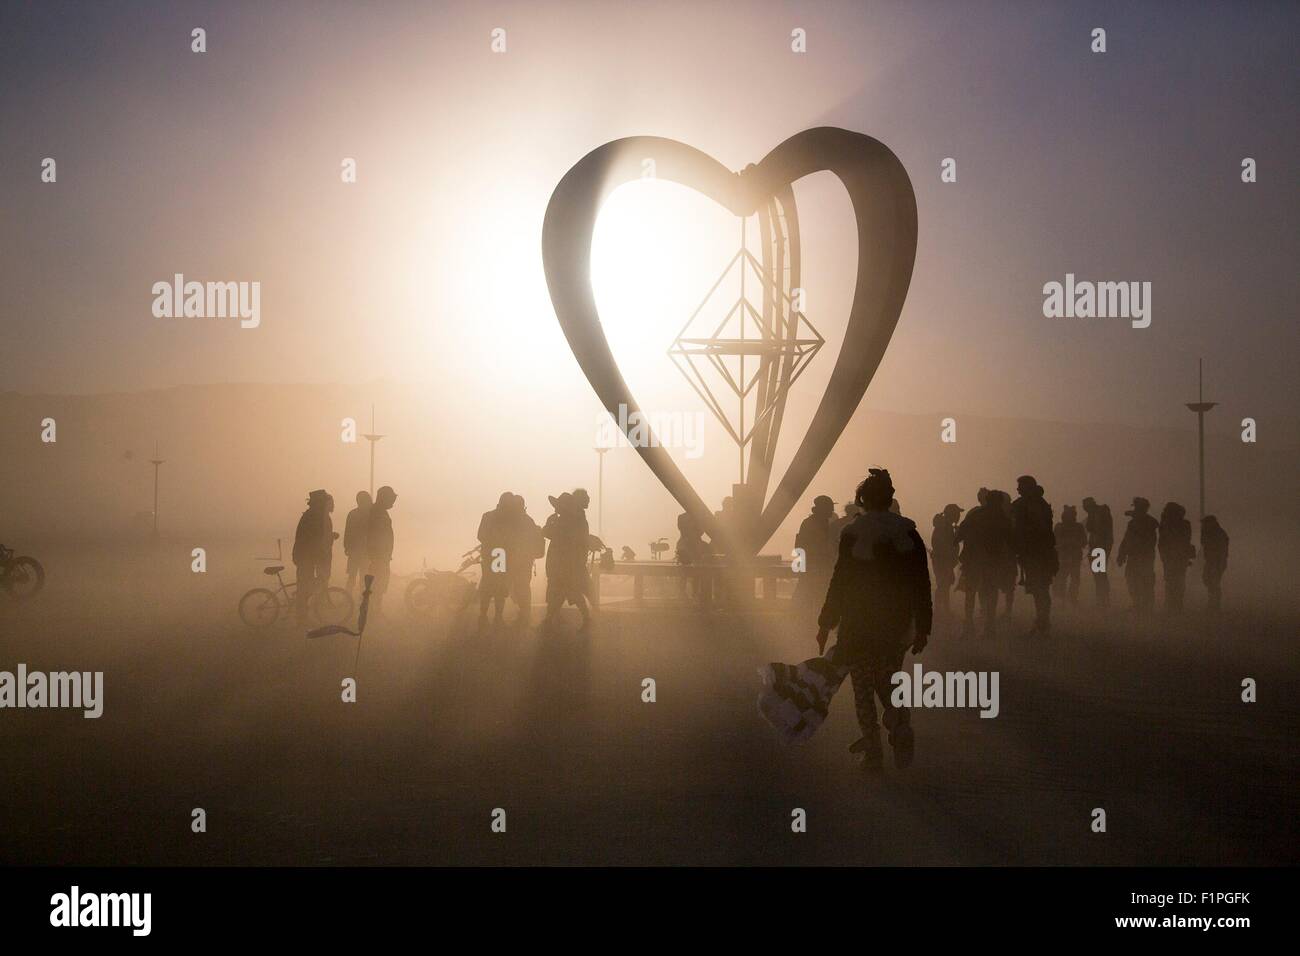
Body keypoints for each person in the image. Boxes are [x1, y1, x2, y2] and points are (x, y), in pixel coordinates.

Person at [816, 468, 931, 773]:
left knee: (863, 690)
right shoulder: (909, 534)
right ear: (891, 497)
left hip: (859, 625)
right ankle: (900, 725)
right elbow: (921, 584)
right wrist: (923, 626)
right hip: (897, 625)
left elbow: (840, 580)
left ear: (862, 500)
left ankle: (873, 750)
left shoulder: (854, 534)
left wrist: (826, 622)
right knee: (890, 681)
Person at [955, 487, 1010, 638]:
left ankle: (969, 627)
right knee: (991, 593)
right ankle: (989, 627)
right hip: (993, 561)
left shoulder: (976, 514)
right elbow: (1011, 540)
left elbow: (960, 534)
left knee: (971, 593)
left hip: (975, 560)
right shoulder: (1003, 518)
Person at [1011, 476, 1058, 636]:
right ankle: (1042, 622)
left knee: (1040, 589)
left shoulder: (1032, 505)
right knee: (1040, 589)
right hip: (1037, 552)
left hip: (1037, 553)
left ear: (1028, 487)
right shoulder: (1035, 503)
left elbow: (1040, 529)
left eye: (1020, 486)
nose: (1018, 489)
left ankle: (1042, 624)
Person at [542, 490, 592, 631]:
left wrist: (548, 523)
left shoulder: (565, 520)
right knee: (566, 591)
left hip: (563, 563)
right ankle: (550, 619)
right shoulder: (577, 519)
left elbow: (549, 533)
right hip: (570, 563)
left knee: (565, 591)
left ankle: (586, 619)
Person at [792, 495, 837, 622]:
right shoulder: (813, 524)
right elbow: (801, 545)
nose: (832, 510)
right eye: (830, 508)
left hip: (816, 566)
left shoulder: (815, 522)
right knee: (810, 593)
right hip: (814, 566)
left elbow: (798, 545)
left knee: (810, 593)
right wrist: (801, 568)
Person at [504, 495, 544, 627]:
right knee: (522, 587)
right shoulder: (528, 520)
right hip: (525, 560)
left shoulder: (516, 521)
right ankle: (524, 614)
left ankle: (524, 615)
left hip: (518, 560)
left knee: (519, 587)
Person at [292, 489, 331, 623]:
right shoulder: (314, 516)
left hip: (306, 556)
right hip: (305, 557)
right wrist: (322, 556)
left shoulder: (313, 515)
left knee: (307, 585)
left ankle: (303, 614)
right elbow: (314, 540)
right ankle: (301, 618)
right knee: (304, 587)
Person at [477, 493, 514, 629]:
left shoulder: (487, 516)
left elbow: (480, 535)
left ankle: (483, 616)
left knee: (488, 586)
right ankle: (497, 618)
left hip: (489, 555)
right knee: (499, 588)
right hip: (500, 557)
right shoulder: (508, 519)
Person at [1116, 496, 1158, 612]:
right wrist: (1122, 554)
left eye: (1137, 507)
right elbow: (1126, 539)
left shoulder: (1148, 523)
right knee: (1132, 580)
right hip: (1135, 557)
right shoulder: (1135, 523)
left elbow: (1148, 542)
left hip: (1143, 557)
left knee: (1145, 581)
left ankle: (1146, 606)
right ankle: (1138, 604)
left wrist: (1124, 553)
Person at [1158, 502, 1195, 613]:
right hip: (1173, 557)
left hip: (1175, 557)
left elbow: (1165, 541)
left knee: (1174, 581)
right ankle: (1173, 604)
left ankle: (1174, 605)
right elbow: (1163, 542)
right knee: (1174, 581)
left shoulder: (1171, 524)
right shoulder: (1180, 524)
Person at [366, 485, 398, 617]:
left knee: (380, 583)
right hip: (379, 555)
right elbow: (375, 534)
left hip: (382, 555)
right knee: (378, 583)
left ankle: (375, 610)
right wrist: (380, 552)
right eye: (391, 499)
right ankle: (374, 611)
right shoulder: (377, 512)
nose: (392, 503)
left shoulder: (379, 511)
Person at [929, 504, 962, 617]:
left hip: (941, 560)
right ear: (952, 514)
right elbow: (946, 545)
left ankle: (944, 610)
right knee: (943, 584)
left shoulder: (944, 525)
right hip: (943, 560)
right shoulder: (945, 527)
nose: (959, 516)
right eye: (957, 514)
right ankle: (939, 611)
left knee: (944, 584)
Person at [1081, 496, 1114, 607]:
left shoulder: (1099, 513)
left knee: (1099, 575)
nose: (1085, 509)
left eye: (1085, 507)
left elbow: (1098, 530)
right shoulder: (1094, 514)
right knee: (1099, 574)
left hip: (1099, 547)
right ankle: (1103, 599)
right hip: (1098, 547)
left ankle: (1102, 600)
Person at [1053, 504, 1087, 606]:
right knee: (1062, 579)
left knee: (1074, 579)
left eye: (1071, 515)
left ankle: (1072, 598)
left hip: (1074, 557)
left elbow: (1084, 541)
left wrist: (1074, 543)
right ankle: (1062, 599)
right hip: (1062, 557)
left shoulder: (1078, 527)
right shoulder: (1059, 527)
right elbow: (1053, 541)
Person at [343, 491, 371, 597]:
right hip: (361, 551)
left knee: (352, 577)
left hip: (356, 551)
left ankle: (348, 597)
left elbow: (347, 532)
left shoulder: (352, 514)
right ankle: (360, 598)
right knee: (359, 577)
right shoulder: (370, 514)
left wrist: (347, 547)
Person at [1200, 515, 1229, 611]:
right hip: (1211, 561)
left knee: (1213, 582)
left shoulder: (1218, 533)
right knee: (1209, 580)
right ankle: (1213, 603)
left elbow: (1222, 550)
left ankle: (1214, 605)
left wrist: (1219, 561)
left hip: (1217, 561)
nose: (1203, 525)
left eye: (1204, 523)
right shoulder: (1210, 532)